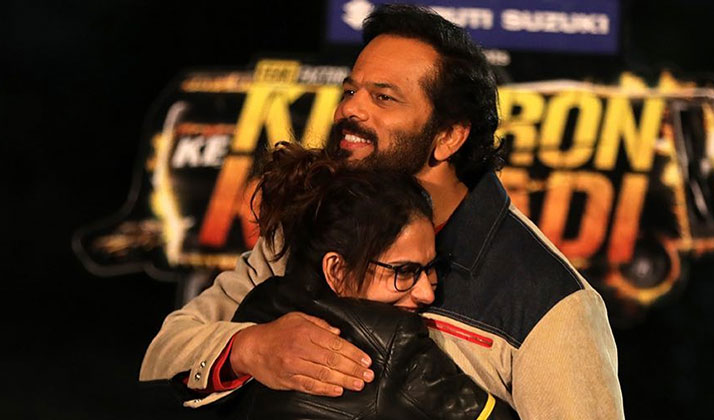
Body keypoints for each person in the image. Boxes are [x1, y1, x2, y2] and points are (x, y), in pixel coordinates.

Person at [140, 4, 624, 419]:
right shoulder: (309, 226)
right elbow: (166, 353)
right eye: (350, 91)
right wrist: (251, 349)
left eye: (383, 97)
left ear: (448, 137)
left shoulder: (551, 301)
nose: (350, 110)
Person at [223, 141, 513, 419]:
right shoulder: (395, 344)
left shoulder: (262, 302)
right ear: (337, 271)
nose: (427, 293)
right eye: (404, 271)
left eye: (431, 268)